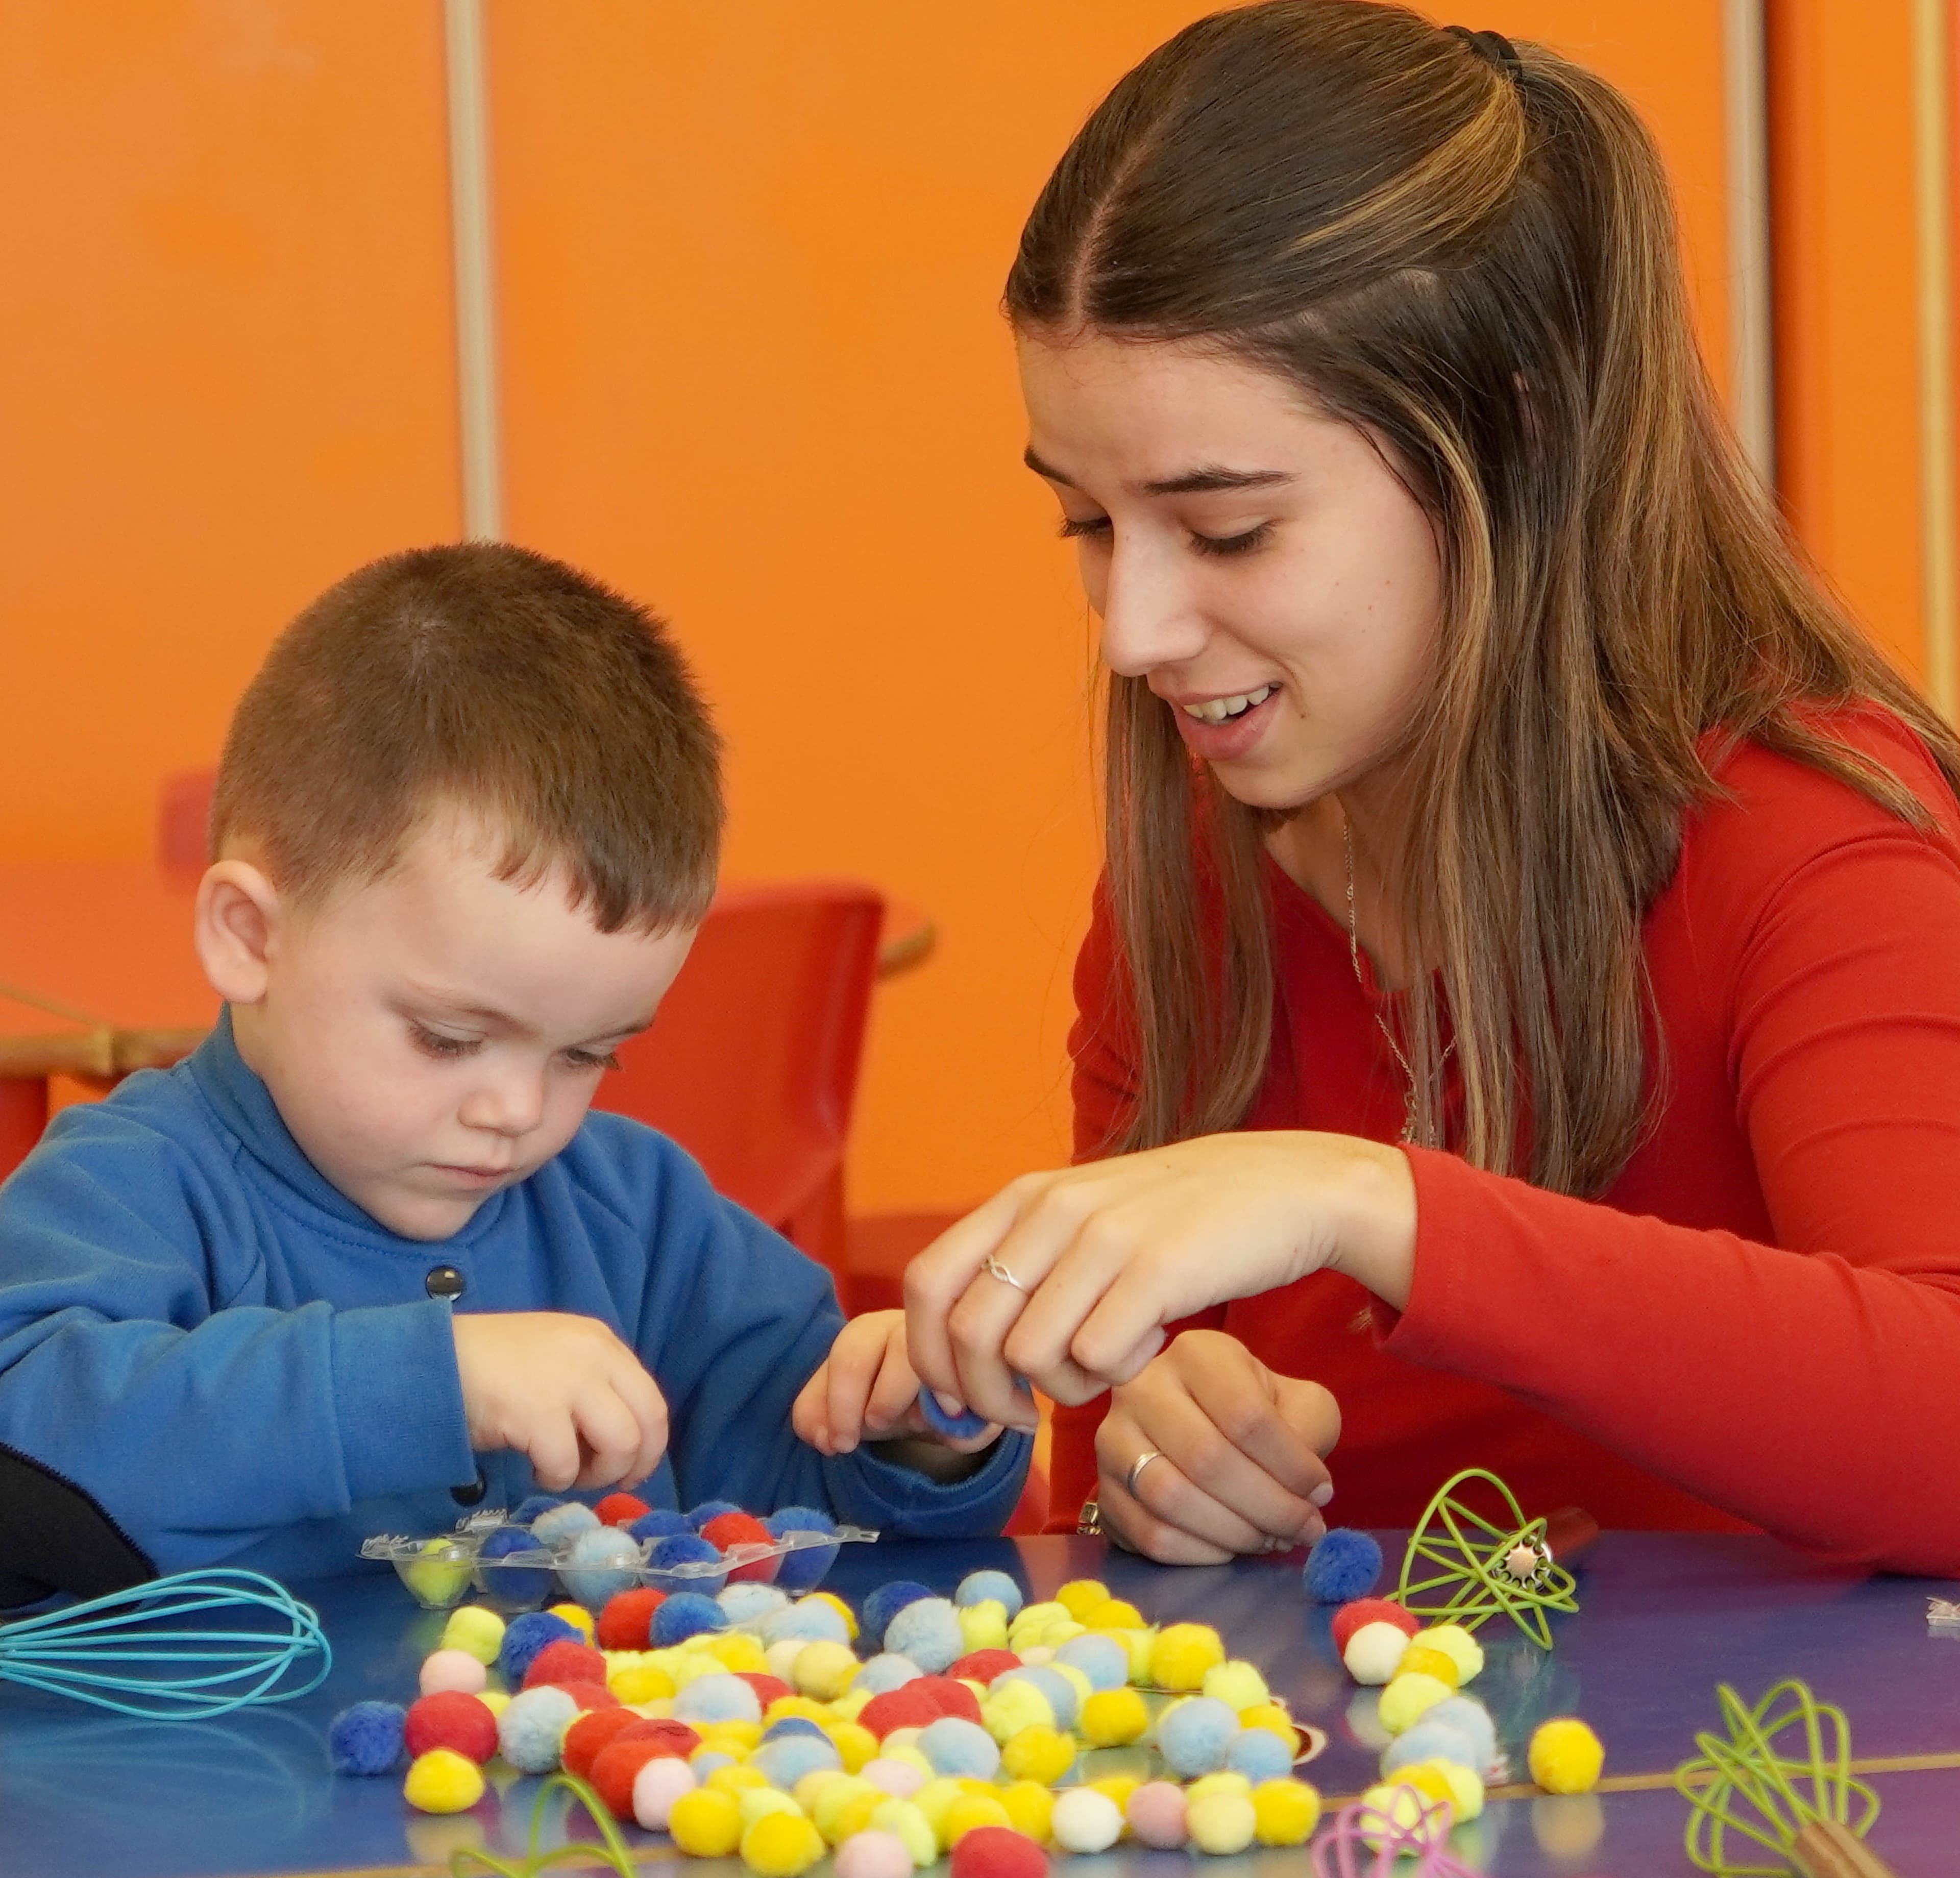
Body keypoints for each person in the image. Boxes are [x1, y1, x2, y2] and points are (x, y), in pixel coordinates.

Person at [905, 0, 1960, 1576]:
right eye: (1088, 525)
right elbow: (1115, 1498)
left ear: (1515, 448)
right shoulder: (1198, 868)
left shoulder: (1815, 838)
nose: (1135, 632)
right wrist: (1160, 1461)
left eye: (1230, 530)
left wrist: (1369, 1203)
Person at [0, 543, 1027, 1588]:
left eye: (589, 1054)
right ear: (251, 936)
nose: (518, 1110)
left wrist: (911, 1441)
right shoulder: (129, 1184)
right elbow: (30, 1419)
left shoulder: (642, 1215)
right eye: (448, 1038)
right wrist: (433, 1382)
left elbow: (808, 1505)